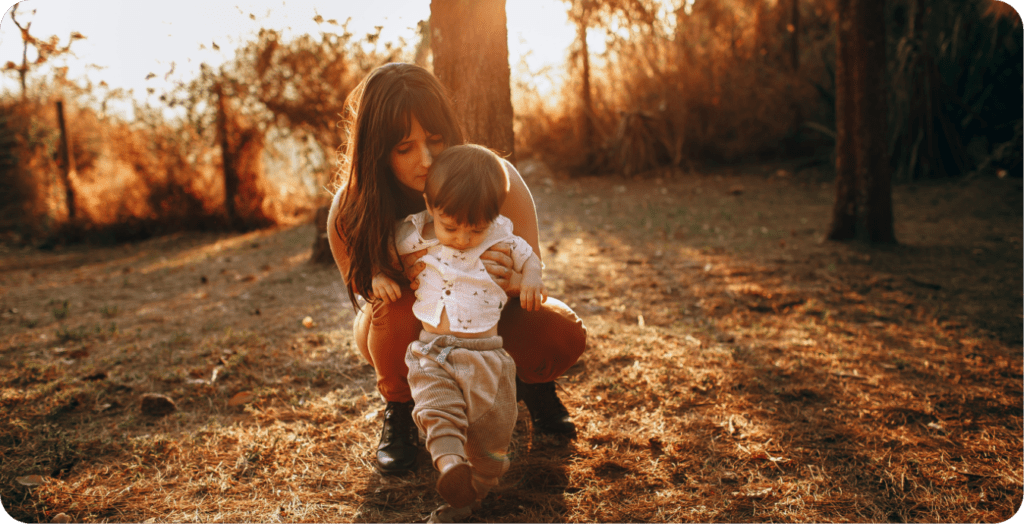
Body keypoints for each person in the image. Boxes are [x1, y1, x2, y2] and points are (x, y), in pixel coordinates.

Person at [327, 62, 587, 476]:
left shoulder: (496, 179)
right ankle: (399, 408)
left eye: (434, 139)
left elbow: (530, 265)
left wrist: (515, 280)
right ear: (377, 149)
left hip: (489, 315)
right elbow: (362, 289)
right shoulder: (351, 207)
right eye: (404, 147)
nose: (427, 160)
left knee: (556, 330)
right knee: (391, 306)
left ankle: (534, 387)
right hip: (403, 327)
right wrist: (394, 273)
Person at [373, 144, 545, 522]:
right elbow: (380, 249)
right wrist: (378, 274)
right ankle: (449, 462)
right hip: (431, 351)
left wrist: (530, 278)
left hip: (486, 355)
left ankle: (469, 496)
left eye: (475, 229)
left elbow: (529, 257)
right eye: (451, 227)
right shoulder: (412, 232)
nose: (464, 238)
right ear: (430, 206)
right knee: (436, 408)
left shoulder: (500, 235)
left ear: (492, 216)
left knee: (491, 439)